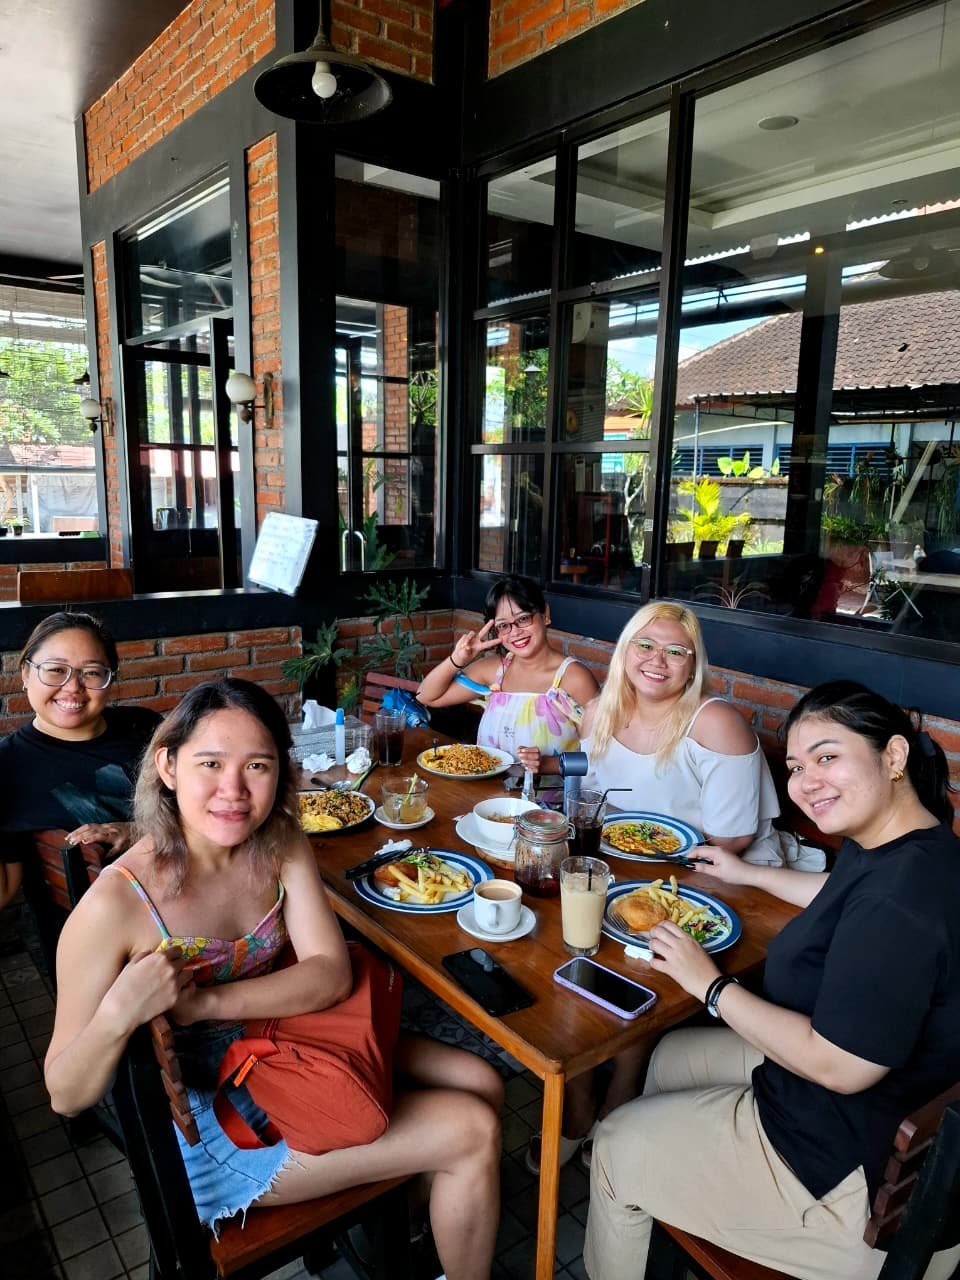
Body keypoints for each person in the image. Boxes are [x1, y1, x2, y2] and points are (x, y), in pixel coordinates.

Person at [44, 679, 501, 1280]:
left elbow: (330, 974)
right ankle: (433, 1212)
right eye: (211, 763)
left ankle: (409, 1229)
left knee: (482, 1080)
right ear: (169, 766)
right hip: (219, 1126)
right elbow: (65, 1094)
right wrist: (118, 1012)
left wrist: (205, 1003)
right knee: (473, 1129)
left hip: (289, 1043)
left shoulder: (278, 841)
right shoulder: (116, 906)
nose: (234, 790)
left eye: (256, 766)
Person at [584, 680, 960, 1280]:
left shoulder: (899, 905)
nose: (807, 781)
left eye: (827, 756)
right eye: (797, 766)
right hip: (868, 1112)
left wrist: (711, 986)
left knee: (613, 1144)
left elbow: (840, 1067)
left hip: (849, 1186)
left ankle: (639, 1174)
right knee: (671, 1055)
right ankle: (667, 1208)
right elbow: (838, 891)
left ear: (894, 755)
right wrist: (748, 873)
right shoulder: (907, 842)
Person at [527, 600, 792, 1174]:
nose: (657, 660)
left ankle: (617, 1101)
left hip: (724, 880)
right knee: (561, 937)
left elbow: (731, 840)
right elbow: (588, 790)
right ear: (625, 651)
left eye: (676, 651)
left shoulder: (714, 721)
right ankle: (579, 1097)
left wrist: (641, 885)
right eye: (645, 645)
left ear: (694, 664)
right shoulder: (601, 711)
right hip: (632, 869)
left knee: (642, 958)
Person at [0, 611, 161, 910]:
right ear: (25, 673)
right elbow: (4, 890)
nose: (73, 686)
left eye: (91, 672)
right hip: (97, 924)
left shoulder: (145, 727)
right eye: (55, 670)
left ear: (110, 679)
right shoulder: (7, 766)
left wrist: (137, 831)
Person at [416, 574, 598, 774]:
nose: (515, 632)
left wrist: (547, 764)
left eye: (523, 619)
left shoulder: (574, 678)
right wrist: (457, 659)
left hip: (547, 795)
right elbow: (426, 696)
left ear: (545, 614)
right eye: (503, 625)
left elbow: (602, 759)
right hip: (485, 791)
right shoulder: (494, 671)